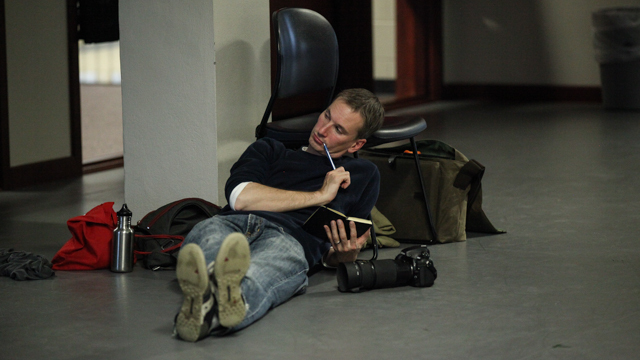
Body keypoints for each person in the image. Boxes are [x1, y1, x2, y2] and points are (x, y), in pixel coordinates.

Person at [174, 88, 385, 342]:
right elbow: (241, 199)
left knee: (267, 269)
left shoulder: (363, 174)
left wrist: (343, 257)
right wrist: (320, 195)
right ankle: (217, 296)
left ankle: (209, 306)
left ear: (356, 144)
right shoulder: (270, 149)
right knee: (207, 233)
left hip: (291, 239)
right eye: (326, 115)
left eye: (338, 129)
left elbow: (337, 248)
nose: (322, 130)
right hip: (234, 223)